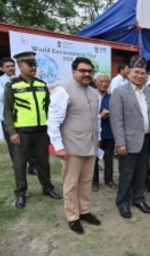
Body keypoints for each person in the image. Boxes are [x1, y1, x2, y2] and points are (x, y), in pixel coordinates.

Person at [47, 57, 101, 235]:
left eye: (89, 71)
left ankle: (84, 211)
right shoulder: (63, 91)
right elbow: (53, 121)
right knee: (71, 183)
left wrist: (97, 138)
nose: (86, 74)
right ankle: (72, 216)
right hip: (71, 146)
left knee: (86, 180)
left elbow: (96, 118)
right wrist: (58, 146)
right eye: (82, 71)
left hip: (90, 145)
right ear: (73, 71)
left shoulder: (94, 92)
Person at [3, 51, 61, 209]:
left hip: (41, 132)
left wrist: (51, 129)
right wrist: (13, 132)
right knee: (20, 165)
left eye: (35, 64)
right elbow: (7, 111)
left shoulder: (41, 85)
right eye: (29, 64)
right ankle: (20, 194)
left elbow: (48, 108)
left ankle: (47, 188)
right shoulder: (12, 86)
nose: (33, 67)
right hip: (22, 133)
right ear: (20, 66)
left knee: (44, 163)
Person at [110, 55, 150, 219]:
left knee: (142, 173)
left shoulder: (149, 92)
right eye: (136, 72)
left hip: (145, 140)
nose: (140, 76)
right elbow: (116, 120)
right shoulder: (120, 92)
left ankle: (138, 198)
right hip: (127, 142)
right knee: (127, 173)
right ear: (128, 73)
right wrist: (120, 143)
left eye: (143, 73)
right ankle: (122, 202)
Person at [0, 57, 37, 175]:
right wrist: (11, 83)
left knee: (29, 144)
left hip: (24, 118)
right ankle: (18, 167)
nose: (10, 68)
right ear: (2, 69)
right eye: (7, 66)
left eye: (12, 66)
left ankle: (33, 166)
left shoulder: (22, 79)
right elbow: (1, 97)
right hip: (8, 119)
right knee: (13, 145)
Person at [91, 72, 117, 191]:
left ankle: (109, 179)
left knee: (109, 158)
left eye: (107, 82)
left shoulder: (112, 97)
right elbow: (86, 114)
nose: (104, 84)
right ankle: (94, 182)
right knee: (93, 158)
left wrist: (110, 114)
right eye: (101, 81)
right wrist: (100, 115)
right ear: (95, 82)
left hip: (108, 132)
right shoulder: (90, 96)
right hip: (94, 133)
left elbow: (118, 114)